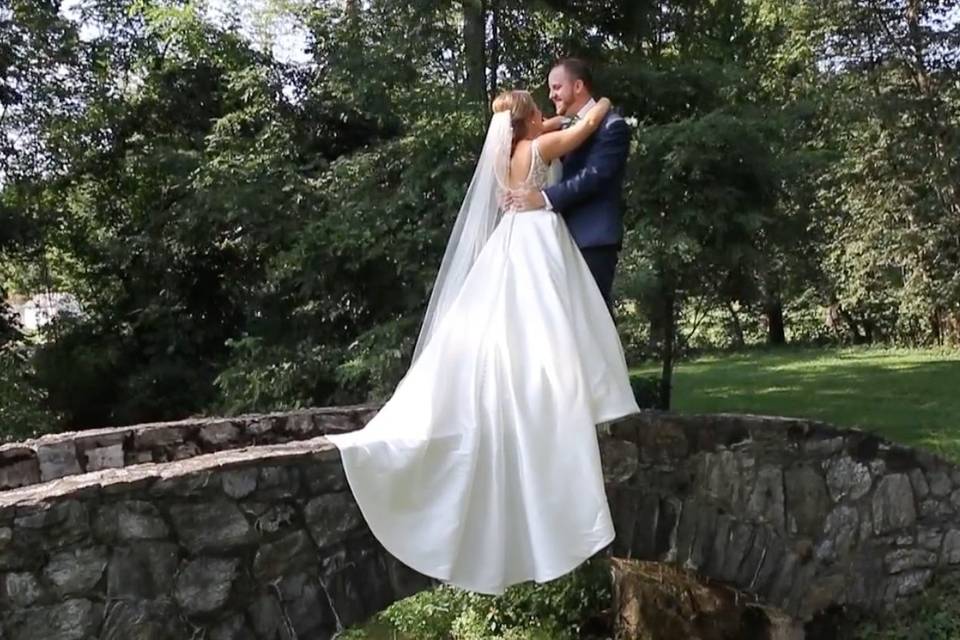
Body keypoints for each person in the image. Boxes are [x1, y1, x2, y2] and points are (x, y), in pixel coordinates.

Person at [326, 87, 639, 595]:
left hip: (510, 238)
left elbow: (557, 130)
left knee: (500, 324)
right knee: (547, 323)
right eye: (541, 109)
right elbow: (580, 129)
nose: (547, 112)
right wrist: (599, 104)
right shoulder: (539, 150)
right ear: (529, 119)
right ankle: (553, 395)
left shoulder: (510, 153)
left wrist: (551, 125)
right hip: (538, 237)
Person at [505, 58, 631, 307]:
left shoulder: (612, 126)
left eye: (556, 87)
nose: (551, 95)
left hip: (591, 237)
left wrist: (543, 198)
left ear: (578, 86)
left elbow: (594, 176)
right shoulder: (558, 129)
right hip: (554, 236)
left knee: (593, 317)